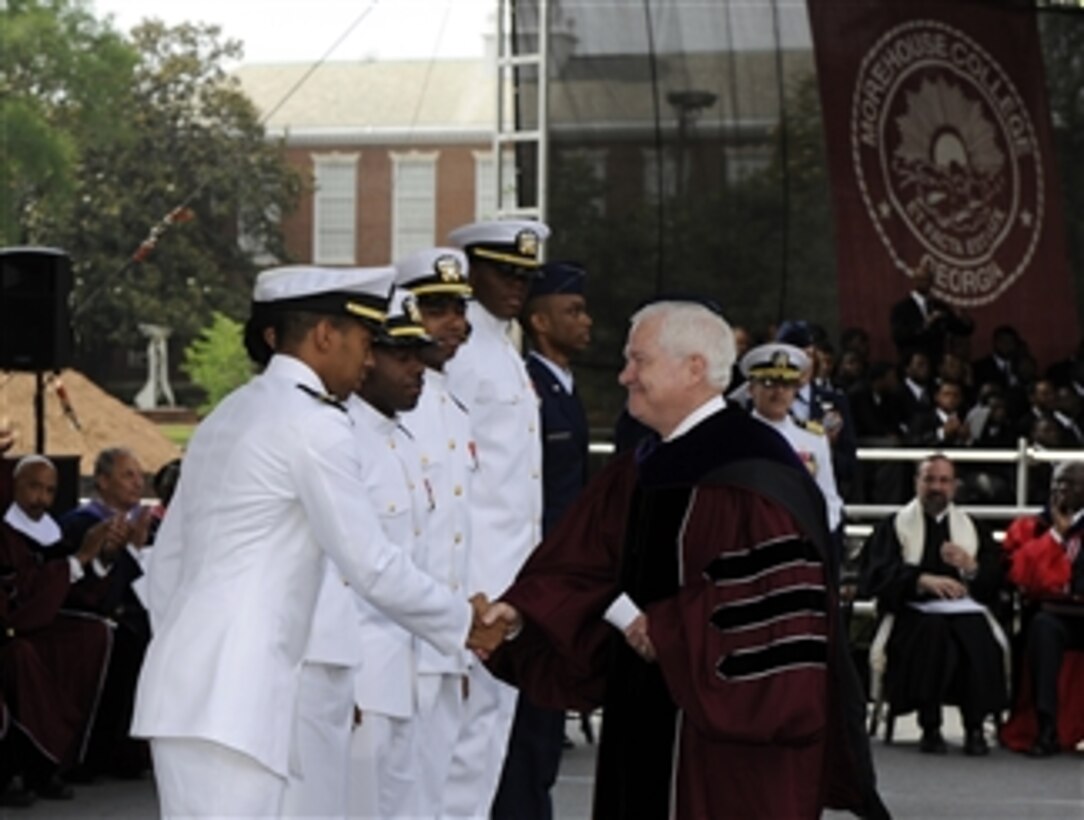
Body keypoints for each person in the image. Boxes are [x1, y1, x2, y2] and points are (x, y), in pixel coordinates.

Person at [483, 300, 885, 819]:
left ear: (694, 367)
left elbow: (778, 617)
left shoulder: (758, 471)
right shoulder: (640, 469)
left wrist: (669, 631)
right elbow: (578, 564)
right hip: (640, 711)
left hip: (727, 746)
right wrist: (520, 612)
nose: (625, 375)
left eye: (639, 361)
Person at [131, 265, 500, 819]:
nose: (368, 359)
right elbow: (370, 563)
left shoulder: (231, 412)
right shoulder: (312, 423)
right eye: (361, 341)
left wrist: (192, 650)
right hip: (240, 699)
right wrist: (462, 621)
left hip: (191, 692)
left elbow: (169, 561)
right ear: (326, 336)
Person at [442, 218, 548, 817]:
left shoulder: (503, 351)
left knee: (487, 739)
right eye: (505, 272)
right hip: (474, 580)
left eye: (525, 276)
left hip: (510, 579)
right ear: (472, 271)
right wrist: (464, 590)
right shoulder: (461, 355)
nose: (518, 286)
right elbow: (453, 484)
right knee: (460, 744)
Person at [493, 261, 592, 820]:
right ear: (538, 320)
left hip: (561, 583)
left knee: (545, 730)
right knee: (527, 736)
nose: (586, 321)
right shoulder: (525, 386)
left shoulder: (562, 387)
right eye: (572, 310)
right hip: (535, 578)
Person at [345, 287, 444, 818]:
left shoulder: (401, 441)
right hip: (357, 677)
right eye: (401, 357)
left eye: (420, 357)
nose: (418, 370)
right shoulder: (340, 439)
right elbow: (334, 575)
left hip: (407, 671)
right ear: (366, 358)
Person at [395, 247, 477, 817]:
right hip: (395, 647)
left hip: (445, 644)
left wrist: (458, 647)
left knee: (442, 801)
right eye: (437, 307)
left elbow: (456, 535)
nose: (456, 322)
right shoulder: (384, 407)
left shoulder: (451, 404)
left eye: (459, 307)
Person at [860, 455, 1008, 756]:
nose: (936, 488)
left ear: (954, 486)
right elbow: (876, 575)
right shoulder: (895, 526)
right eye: (929, 480)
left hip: (964, 609)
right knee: (932, 633)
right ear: (917, 483)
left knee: (974, 633)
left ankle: (975, 727)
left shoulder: (972, 528)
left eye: (943, 481)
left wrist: (972, 567)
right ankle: (930, 725)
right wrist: (920, 580)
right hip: (914, 612)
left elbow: (996, 579)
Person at [0, 456, 114, 802]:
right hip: (11, 627)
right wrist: (76, 561)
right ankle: (20, 771)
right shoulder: (4, 533)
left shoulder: (51, 532)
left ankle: (59, 763)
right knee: (21, 656)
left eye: (50, 490)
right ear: (14, 485)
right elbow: (16, 593)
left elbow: (74, 593)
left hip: (37, 623)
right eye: (33, 486)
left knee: (95, 634)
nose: (41, 498)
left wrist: (103, 556)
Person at [57, 447, 154, 780]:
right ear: (102, 480)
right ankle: (102, 754)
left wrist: (138, 549)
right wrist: (118, 551)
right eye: (128, 475)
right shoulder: (80, 524)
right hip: (90, 617)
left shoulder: (141, 524)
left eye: (140, 476)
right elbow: (81, 587)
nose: (137, 483)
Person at [1002, 462, 1084, 756]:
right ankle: (1046, 727)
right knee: (1043, 630)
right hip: (1052, 616)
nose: (1062, 490)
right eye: (1058, 483)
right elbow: (1026, 578)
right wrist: (1056, 539)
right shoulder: (1031, 528)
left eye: (1072, 484)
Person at [741, 342, 843, 539]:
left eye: (787, 384)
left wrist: (814, 532)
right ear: (751, 389)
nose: (779, 392)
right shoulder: (735, 436)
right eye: (769, 383)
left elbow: (829, 499)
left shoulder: (813, 438)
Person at [889, 259, 973, 368]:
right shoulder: (901, 308)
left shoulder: (939, 306)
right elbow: (899, 336)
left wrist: (964, 319)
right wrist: (924, 326)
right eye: (922, 280)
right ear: (914, 281)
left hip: (937, 362)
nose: (926, 283)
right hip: (913, 363)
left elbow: (960, 329)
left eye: (929, 280)